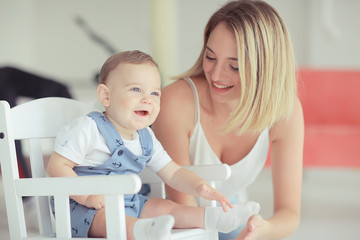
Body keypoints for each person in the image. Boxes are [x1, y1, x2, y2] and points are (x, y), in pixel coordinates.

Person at [46, 50, 260, 240]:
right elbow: (57, 167)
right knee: (107, 219)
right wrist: (88, 196)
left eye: (155, 93)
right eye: (136, 90)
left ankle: (215, 218)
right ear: (106, 96)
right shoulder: (88, 128)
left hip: (129, 202)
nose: (147, 99)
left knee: (164, 206)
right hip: (84, 210)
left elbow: (174, 174)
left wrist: (200, 187)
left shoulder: (145, 136)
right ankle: (142, 231)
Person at [152, 1, 304, 239]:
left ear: (266, 68)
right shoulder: (176, 103)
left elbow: (289, 214)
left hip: (223, 212)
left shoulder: (286, 113)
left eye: (234, 66)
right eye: (210, 57)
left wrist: (262, 229)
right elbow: (183, 205)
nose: (216, 75)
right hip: (162, 216)